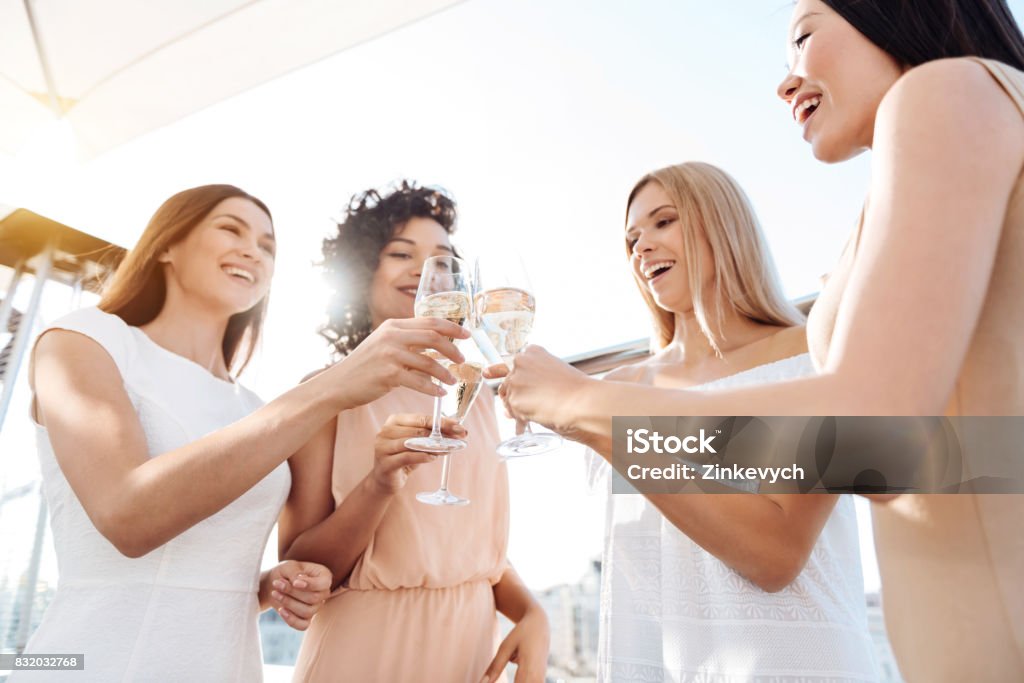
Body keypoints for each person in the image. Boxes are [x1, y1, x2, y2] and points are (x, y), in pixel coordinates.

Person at [495, 1, 1024, 680]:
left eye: (802, 36)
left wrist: (581, 404)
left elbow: (878, 435)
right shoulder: (969, 117)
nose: (784, 81)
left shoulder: (944, 90)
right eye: (631, 237)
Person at [19, 184, 467, 682]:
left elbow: (202, 576)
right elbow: (129, 517)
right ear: (165, 244)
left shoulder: (251, 407)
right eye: (230, 228)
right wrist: (331, 388)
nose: (253, 250)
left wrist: (272, 584)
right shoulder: (83, 341)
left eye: (268, 245)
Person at [585, 161, 874, 680]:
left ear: (722, 224)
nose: (641, 247)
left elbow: (775, 556)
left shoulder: (811, 354)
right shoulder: (613, 390)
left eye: (663, 221)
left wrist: (594, 421)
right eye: (631, 239)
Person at [279, 181, 549, 683]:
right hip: (367, 651)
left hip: (471, 647)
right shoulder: (324, 392)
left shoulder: (477, 394)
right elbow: (299, 566)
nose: (427, 271)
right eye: (402, 254)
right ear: (365, 273)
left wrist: (532, 611)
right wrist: (379, 483)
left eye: (443, 259)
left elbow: (466, 547)